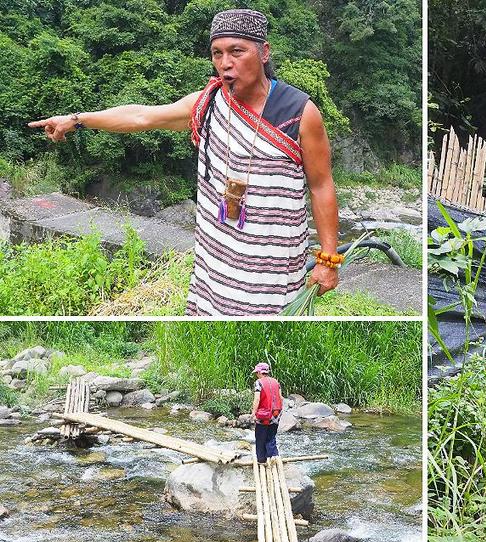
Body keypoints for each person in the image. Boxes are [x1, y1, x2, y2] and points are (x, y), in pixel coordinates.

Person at [27, 9, 340, 316]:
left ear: (264, 52)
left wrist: (327, 261)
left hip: (271, 267)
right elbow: (142, 116)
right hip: (216, 260)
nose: (225, 63)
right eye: (217, 53)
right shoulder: (209, 102)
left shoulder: (299, 112)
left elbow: (321, 185)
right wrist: (76, 120)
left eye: (237, 51)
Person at [251, 362, 283, 464]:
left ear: (260, 372)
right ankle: (273, 455)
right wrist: (279, 412)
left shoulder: (259, 382)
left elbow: (257, 399)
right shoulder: (276, 382)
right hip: (275, 414)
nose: (256, 374)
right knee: (271, 437)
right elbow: (280, 398)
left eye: (257, 372)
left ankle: (262, 460)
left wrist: (253, 413)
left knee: (260, 438)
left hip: (263, 415)